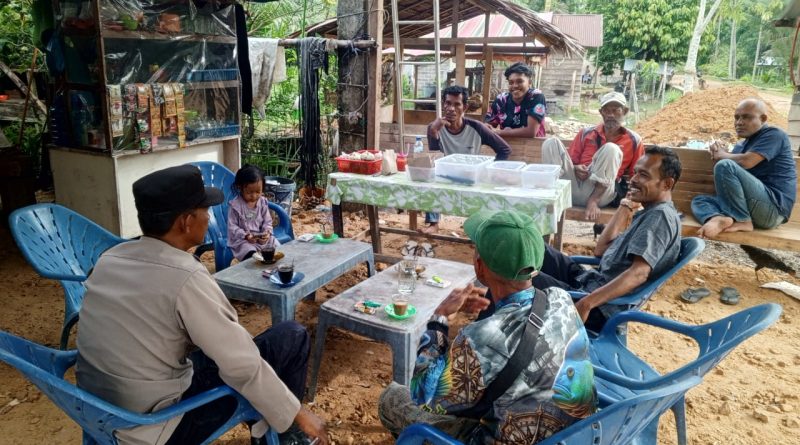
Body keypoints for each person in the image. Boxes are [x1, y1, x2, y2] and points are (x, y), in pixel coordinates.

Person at [75, 165, 329, 445]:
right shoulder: (186, 276)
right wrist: (297, 413)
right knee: (291, 336)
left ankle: (268, 427)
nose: (209, 218)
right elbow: (242, 364)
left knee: (218, 352)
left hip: (99, 411)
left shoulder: (109, 259)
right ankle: (285, 434)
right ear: (186, 222)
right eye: (205, 210)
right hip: (157, 425)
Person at [379, 210, 596, 444]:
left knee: (392, 397)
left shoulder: (478, 340)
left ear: (479, 266)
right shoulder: (561, 298)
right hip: (573, 435)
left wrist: (439, 319)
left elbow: (422, 392)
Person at [531, 146, 682, 332]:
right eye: (635, 172)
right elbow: (601, 249)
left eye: (643, 175)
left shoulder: (659, 217)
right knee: (531, 244)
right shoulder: (650, 212)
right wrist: (625, 204)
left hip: (599, 308)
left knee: (516, 274)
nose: (634, 179)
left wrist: (586, 303)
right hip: (590, 282)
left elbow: (639, 273)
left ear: (667, 184)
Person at [692, 98, 797, 238]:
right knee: (700, 200)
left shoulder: (774, 135)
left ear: (763, 119)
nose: (739, 122)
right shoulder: (741, 146)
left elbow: (746, 162)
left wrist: (723, 156)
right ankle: (718, 218)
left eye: (747, 117)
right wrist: (720, 152)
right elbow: (729, 177)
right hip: (750, 206)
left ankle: (742, 220)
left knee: (725, 165)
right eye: (737, 118)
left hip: (773, 210)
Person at [542, 91, 644, 221]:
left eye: (616, 110)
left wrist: (633, 200)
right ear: (601, 112)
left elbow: (637, 175)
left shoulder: (634, 140)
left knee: (611, 148)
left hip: (602, 193)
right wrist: (576, 168)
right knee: (551, 143)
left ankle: (593, 200)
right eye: (606, 111)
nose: (611, 115)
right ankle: (551, 194)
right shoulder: (586, 133)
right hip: (572, 188)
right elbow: (570, 163)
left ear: (625, 111)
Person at [424, 85, 512, 233]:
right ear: (443, 105)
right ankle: (434, 223)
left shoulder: (477, 127)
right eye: (448, 103)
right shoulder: (434, 127)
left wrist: (489, 170)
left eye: (457, 104)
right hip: (445, 177)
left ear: (464, 107)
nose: (451, 109)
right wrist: (433, 132)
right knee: (430, 178)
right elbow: (434, 158)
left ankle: (482, 227)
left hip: (471, 178)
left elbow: (505, 149)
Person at [228, 164, 279, 261]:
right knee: (251, 255)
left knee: (276, 246)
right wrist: (246, 235)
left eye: (258, 192)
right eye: (249, 192)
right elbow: (232, 227)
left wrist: (266, 233)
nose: (254, 196)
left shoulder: (262, 202)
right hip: (243, 241)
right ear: (240, 187)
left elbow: (267, 221)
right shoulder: (235, 206)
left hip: (261, 239)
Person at [484, 62, 547, 138]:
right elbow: (488, 123)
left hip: (534, 144)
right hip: (506, 143)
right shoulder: (501, 100)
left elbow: (531, 132)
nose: (515, 86)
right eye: (511, 82)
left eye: (520, 81)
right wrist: (487, 126)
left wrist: (498, 132)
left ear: (529, 82)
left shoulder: (536, 97)